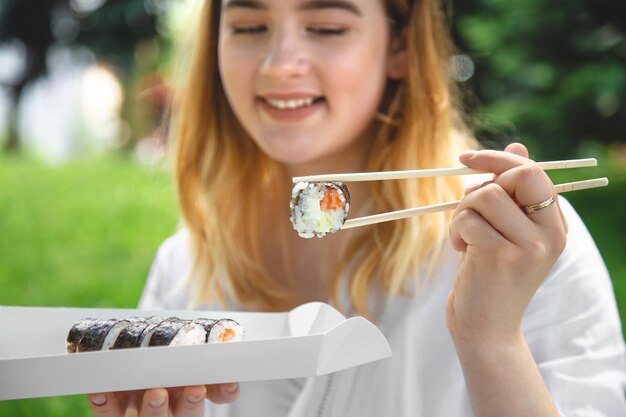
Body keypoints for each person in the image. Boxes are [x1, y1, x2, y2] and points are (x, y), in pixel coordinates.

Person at [88, 0, 626, 416]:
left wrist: (492, 340)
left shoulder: (517, 243)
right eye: (250, 26)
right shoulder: (184, 269)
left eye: (326, 28)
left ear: (399, 45)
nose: (279, 65)